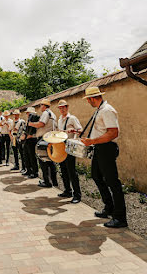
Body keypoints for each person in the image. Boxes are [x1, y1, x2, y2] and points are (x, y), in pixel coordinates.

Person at [80, 87, 127, 228]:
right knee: (96, 176)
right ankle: (109, 207)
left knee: (113, 182)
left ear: (92, 98)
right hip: (99, 148)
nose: (88, 102)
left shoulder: (107, 110)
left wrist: (92, 141)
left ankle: (120, 218)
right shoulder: (100, 110)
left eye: (88, 99)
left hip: (106, 148)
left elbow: (113, 132)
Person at [57, 100, 83, 204]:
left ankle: (77, 195)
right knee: (63, 169)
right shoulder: (59, 119)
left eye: (64, 107)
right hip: (61, 146)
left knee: (72, 171)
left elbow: (80, 130)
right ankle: (67, 190)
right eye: (60, 108)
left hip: (70, 146)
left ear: (67, 107)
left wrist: (73, 131)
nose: (62, 109)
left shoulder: (72, 118)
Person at [29, 99, 58, 188]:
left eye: (41, 105)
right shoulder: (52, 114)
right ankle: (54, 181)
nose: (40, 107)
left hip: (44, 139)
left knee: (43, 160)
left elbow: (41, 124)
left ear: (44, 105)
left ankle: (47, 182)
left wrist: (31, 124)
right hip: (50, 138)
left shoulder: (46, 113)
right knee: (50, 160)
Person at [22, 107, 40, 178]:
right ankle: (28, 170)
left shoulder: (34, 119)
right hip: (27, 139)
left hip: (32, 139)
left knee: (32, 156)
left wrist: (31, 135)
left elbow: (36, 130)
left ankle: (34, 172)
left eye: (28, 112)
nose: (27, 114)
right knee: (26, 155)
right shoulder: (29, 120)